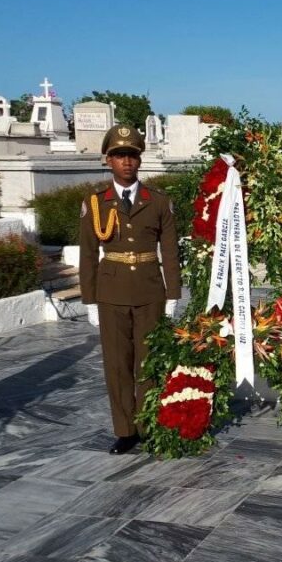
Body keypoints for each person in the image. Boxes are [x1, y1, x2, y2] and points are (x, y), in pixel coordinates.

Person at [79, 125, 181, 454]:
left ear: (140, 160)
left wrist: (172, 295)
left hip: (150, 291)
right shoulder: (95, 203)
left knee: (149, 362)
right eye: (119, 155)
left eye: (132, 156)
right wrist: (90, 301)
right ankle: (125, 429)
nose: (126, 162)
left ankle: (148, 424)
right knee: (117, 363)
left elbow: (170, 251)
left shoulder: (159, 201)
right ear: (107, 160)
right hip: (111, 293)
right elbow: (87, 254)